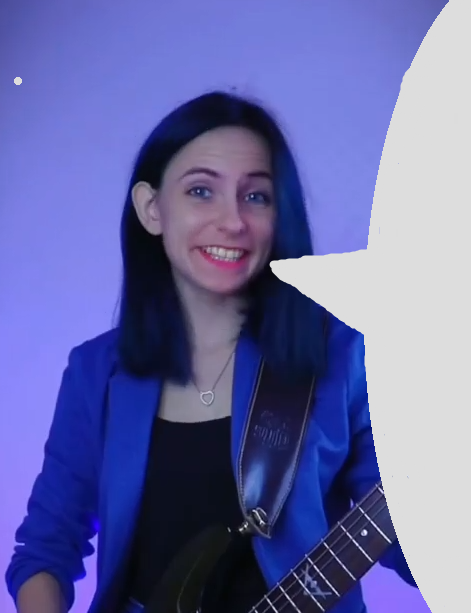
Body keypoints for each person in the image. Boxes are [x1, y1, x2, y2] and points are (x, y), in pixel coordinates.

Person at [5, 91, 417, 613]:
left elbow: (412, 544)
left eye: (257, 196)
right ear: (151, 209)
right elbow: (46, 548)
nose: (233, 222)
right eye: (201, 191)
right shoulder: (95, 372)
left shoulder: (342, 357)